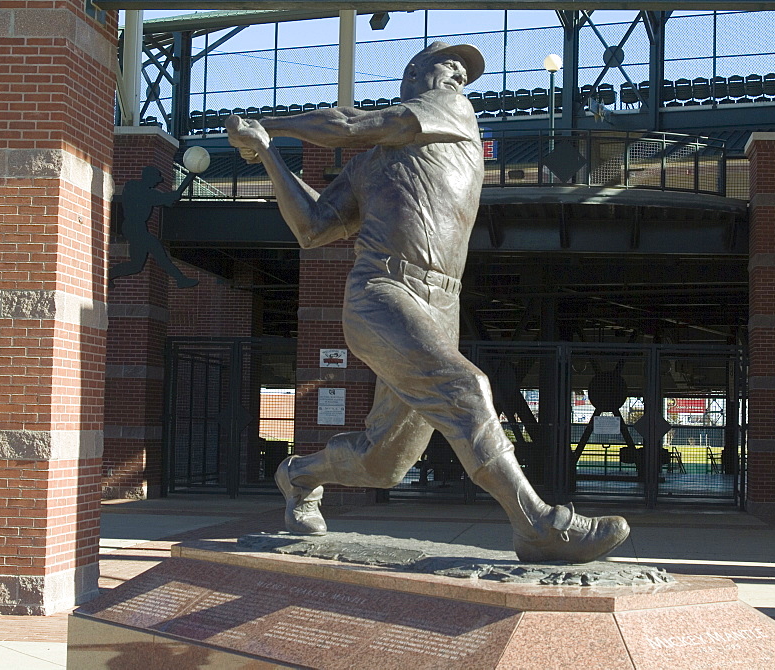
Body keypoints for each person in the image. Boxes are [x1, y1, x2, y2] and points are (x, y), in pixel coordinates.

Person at [226, 42, 629, 563]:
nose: (459, 77)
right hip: (381, 291)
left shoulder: (451, 112)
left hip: (441, 304)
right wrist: (267, 154)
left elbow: (350, 126)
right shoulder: (369, 165)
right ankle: (537, 523)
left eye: (464, 73)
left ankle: (298, 475)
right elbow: (313, 227)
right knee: (466, 387)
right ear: (413, 73)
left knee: (384, 463)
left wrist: (268, 125)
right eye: (448, 66)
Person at [110, 166, 199, 288]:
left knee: (136, 266)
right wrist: (172, 196)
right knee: (158, 252)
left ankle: (108, 275)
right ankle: (180, 279)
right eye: (155, 179)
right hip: (134, 227)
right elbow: (157, 198)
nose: (156, 182)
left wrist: (171, 197)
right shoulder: (136, 188)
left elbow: (164, 200)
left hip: (136, 227)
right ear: (148, 177)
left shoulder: (142, 190)